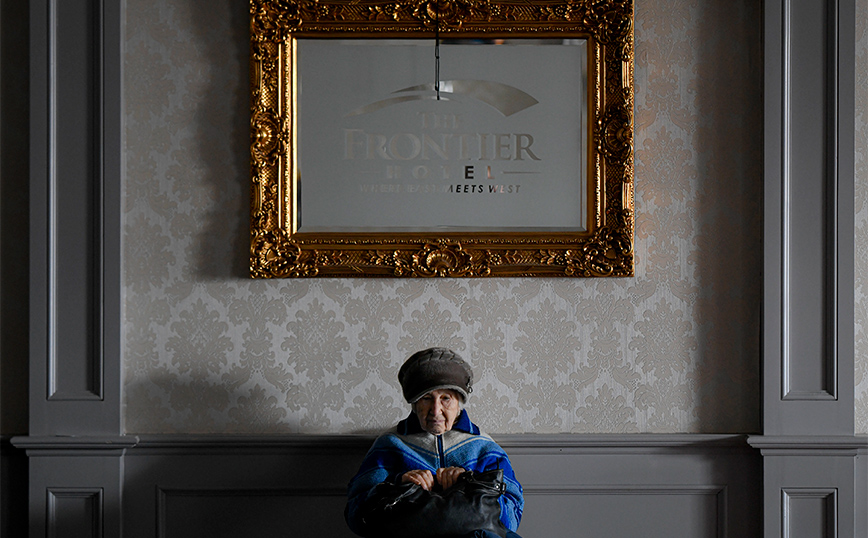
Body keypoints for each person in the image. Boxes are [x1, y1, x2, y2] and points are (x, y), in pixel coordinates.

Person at [345, 347, 524, 538]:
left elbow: (511, 519)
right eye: (426, 398)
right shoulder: (389, 445)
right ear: (414, 404)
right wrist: (399, 483)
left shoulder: (485, 448)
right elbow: (357, 517)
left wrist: (470, 482)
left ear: (459, 403)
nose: (436, 410)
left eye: (445, 398)